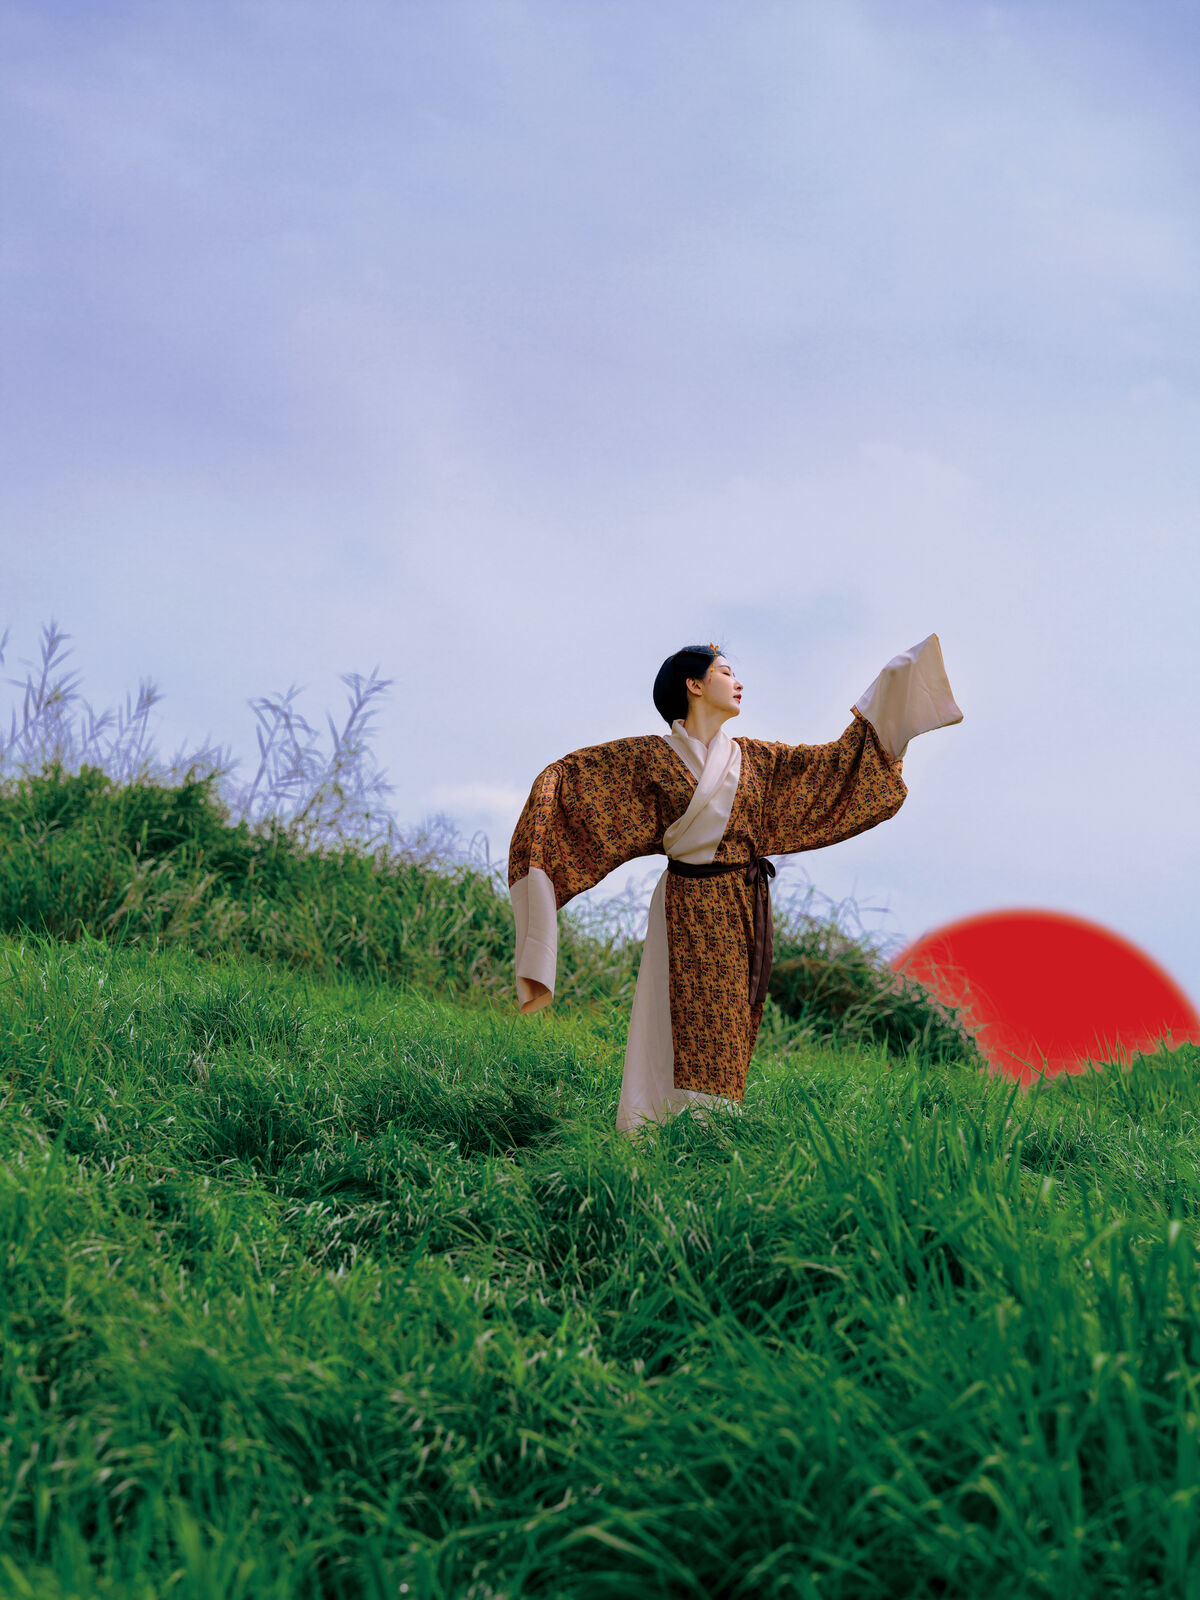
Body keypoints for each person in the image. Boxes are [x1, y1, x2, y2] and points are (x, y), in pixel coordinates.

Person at [508, 635, 962, 1133]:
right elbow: (576, 784)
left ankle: (712, 1132)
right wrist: (546, 808)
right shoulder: (648, 758)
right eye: (725, 672)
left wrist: (894, 690)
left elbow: (832, 769)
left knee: (726, 1019)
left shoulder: (757, 761)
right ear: (694, 685)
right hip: (684, 904)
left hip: (739, 904)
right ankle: (655, 1126)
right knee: (676, 1017)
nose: (738, 682)